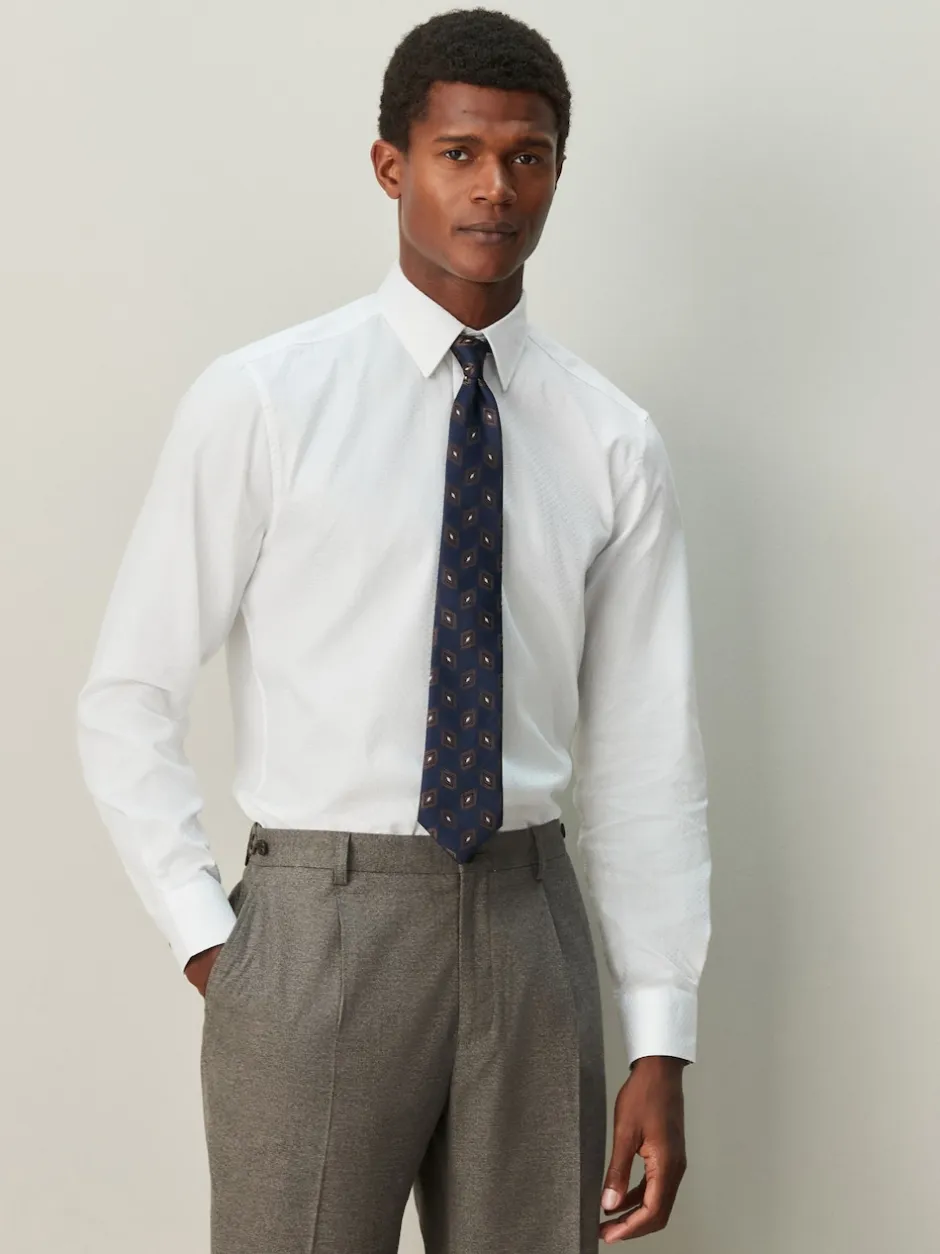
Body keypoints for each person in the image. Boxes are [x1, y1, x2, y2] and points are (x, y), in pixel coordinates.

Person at [75, 8, 711, 1251]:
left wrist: (659, 1036)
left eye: (526, 157)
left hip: (530, 921)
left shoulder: (609, 439)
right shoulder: (265, 400)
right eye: (458, 153)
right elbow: (127, 694)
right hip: (320, 924)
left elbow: (649, 758)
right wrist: (213, 943)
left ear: (557, 174)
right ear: (390, 166)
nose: (494, 188)